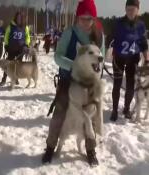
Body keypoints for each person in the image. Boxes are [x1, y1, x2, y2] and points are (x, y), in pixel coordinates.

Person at [42, 0, 104, 166]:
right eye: (82, 18)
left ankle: (90, 150)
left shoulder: (98, 35)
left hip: (89, 83)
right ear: (77, 17)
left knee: (90, 116)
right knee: (60, 113)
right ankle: (50, 147)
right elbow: (57, 56)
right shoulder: (70, 32)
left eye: (89, 18)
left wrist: (97, 74)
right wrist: (74, 65)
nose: (86, 22)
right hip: (68, 80)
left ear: (93, 19)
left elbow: (101, 58)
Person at [108, 0, 148, 121]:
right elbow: (109, 39)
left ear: (137, 10)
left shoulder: (141, 25)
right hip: (119, 58)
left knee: (131, 86)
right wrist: (108, 47)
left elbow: (143, 44)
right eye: (128, 9)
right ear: (125, 9)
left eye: (133, 9)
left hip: (133, 58)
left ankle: (126, 108)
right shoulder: (118, 23)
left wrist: (147, 60)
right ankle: (114, 110)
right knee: (117, 84)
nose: (130, 12)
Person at [0, 11, 31, 86]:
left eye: (20, 17)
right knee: (8, 65)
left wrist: (26, 45)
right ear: (16, 18)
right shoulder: (11, 26)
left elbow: (27, 37)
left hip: (21, 50)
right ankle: (4, 79)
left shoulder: (25, 27)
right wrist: (6, 45)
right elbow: (6, 36)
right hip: (11, 49)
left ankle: (16, 78)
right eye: (18, 17)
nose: (19, 19)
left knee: (18, 66)